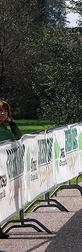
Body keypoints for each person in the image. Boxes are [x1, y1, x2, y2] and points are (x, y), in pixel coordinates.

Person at [0, 100, 21, 239]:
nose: (3, 114)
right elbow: (10, 138)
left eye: (5, 111)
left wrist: (12, 123)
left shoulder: (4, 126)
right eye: (1, 111)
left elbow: (17, 136)